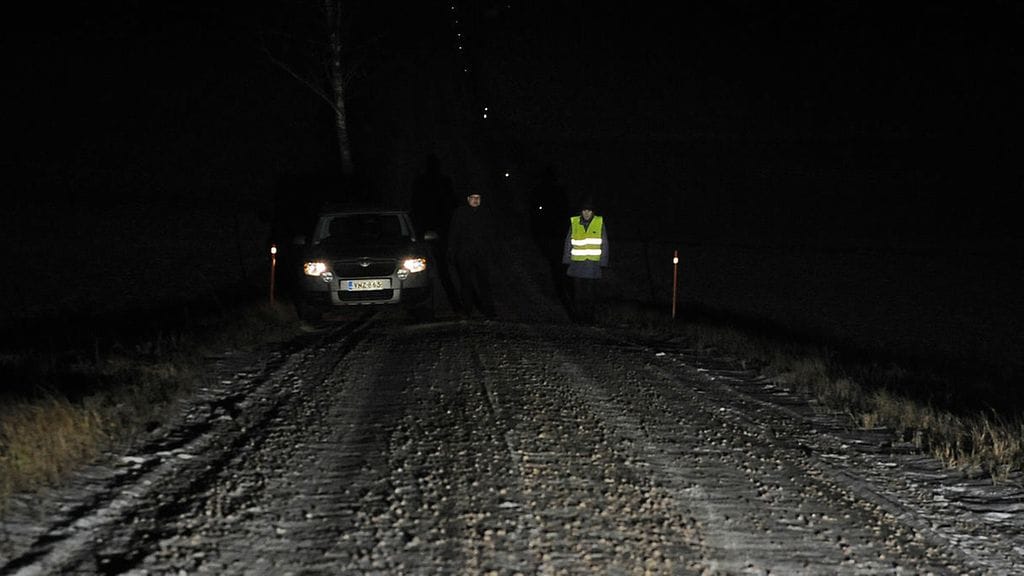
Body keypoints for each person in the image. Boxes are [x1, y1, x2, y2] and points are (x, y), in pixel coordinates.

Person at [448, 192, 497, 318]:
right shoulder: (460, 213)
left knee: (484, 283)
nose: (475, 200)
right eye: (473, 198)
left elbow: (491, 234)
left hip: (481, 254)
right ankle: (468, 310)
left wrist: (492, 252)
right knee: (466, 283)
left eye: (478, 198)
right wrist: (453, 252)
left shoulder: (485, 213)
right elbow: (454, 234)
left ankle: (489, 310)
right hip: (465, 254)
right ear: (468, 199)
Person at [562, 197, 608, 324]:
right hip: (577, 265)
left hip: (592, 266)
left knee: (590, 295)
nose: (587, 213)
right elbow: (568, 242)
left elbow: (604, 243)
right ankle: (579, 319)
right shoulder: (574, 223)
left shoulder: (599, 223)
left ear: (593, 212)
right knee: (578, 295)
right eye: (584, 210)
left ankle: (589, 319)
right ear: (581, 212)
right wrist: (567, 260)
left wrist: (603, 262)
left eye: (589, 210)